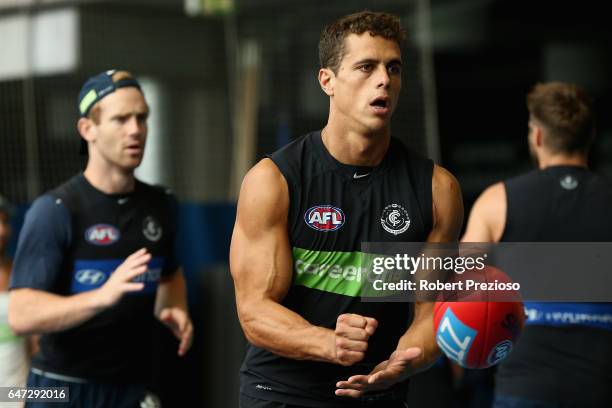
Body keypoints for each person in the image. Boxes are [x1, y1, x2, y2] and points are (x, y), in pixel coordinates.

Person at [230, 11, 463, 408]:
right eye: (366, 67)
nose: (384, 79)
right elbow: (254, 311)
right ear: (328, 81)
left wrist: (403, 362)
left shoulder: (437, 189)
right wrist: (327, 342)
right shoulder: (274, 181)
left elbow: (432, 313)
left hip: (378, 393)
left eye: (393, 68)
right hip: (282, 394)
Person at [8, 70, 193, 408]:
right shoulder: (56, 209)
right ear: (87, 129)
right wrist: (102, 296)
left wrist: (174, 307)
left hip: (133, 387)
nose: (135, 129)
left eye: (141, 117)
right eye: (121, 119)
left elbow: (169, 273)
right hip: (59, 389)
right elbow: (20, 315)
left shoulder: (162, 204)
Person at [462, 81, 612, 407]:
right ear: (589, 137)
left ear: (538, 136)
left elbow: (457, 288)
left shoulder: (497, 200)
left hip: (525, 385)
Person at [0, 196, 31, 398]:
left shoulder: (21, 272)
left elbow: (36, 342)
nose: (2, 230)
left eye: (4, 222)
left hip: (18, 394)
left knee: (66, 395)